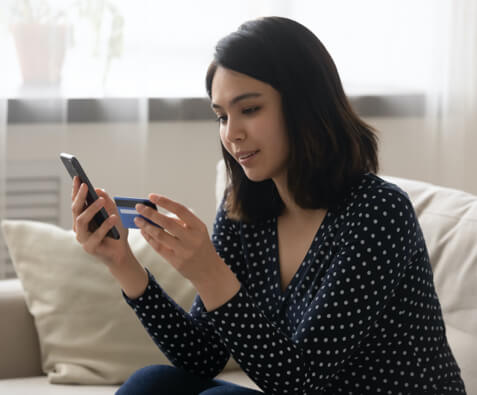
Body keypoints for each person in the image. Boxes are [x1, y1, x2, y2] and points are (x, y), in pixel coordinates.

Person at [71, 16, 466, 395]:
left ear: (304, 104)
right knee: (152, 383)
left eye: (250, 109)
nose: (232, 133)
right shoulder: (244, 210)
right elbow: (202, 357)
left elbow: (301, 381)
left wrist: (209, 273)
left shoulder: (378, 213)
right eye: (221, 116)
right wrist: (122, 263)